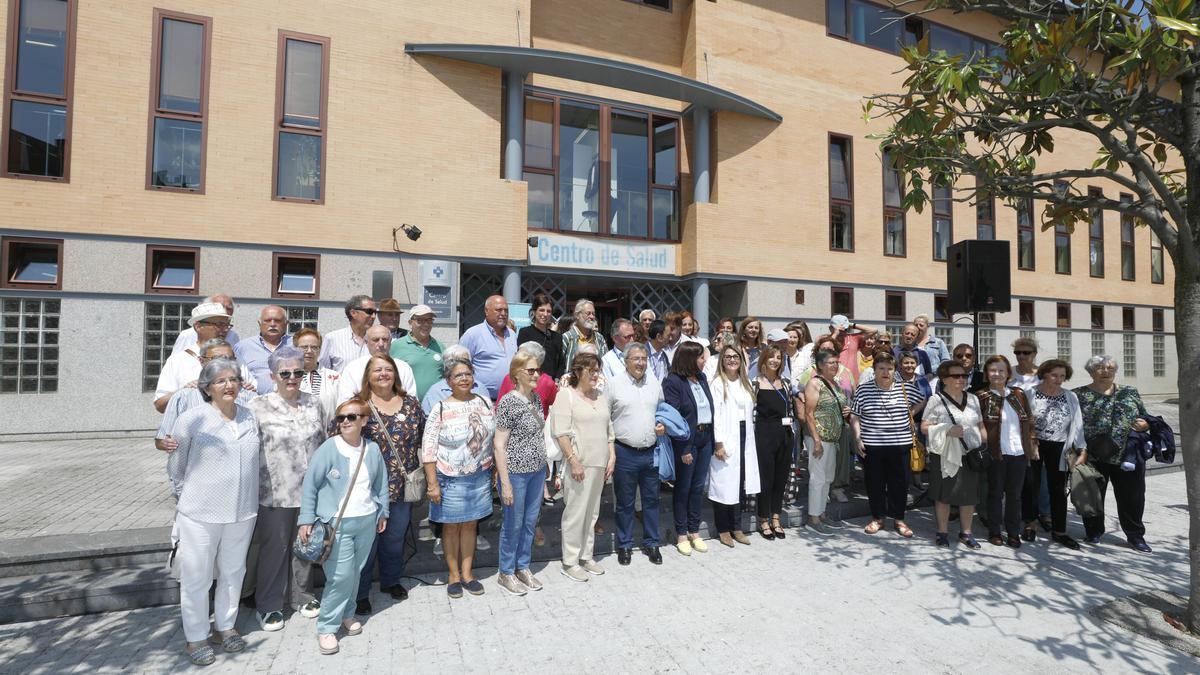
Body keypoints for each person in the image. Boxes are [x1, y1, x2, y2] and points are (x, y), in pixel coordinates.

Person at [166, 359, 260, 666]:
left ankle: (225, 626)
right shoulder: (192, 419)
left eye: (233, 379)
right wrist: (188, 499)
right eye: (220, 381)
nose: (229, 385)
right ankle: (196, 638)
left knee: (234, 572)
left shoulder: (249, 417)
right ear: (207, 388)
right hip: (201, 512)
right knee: (198, 576)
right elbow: (177, 467)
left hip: (243, 510)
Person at [298, 399, 389, 655]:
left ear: (364, 420)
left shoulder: (371, 449)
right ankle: (327, 626)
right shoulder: (329, 448)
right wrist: (306, 518)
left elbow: (380, 484)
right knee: (340, 576)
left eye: (351, 416)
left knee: (355, 572)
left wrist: (384, 511)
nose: (345, 422)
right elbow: (310, 485)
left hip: (367, 520)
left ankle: (347, 614)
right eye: (341, 418)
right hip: (336, 524)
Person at [245, 347, 326, 631]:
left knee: (304, 545)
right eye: (285, 373)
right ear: (273, 376)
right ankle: (268, 604)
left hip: (310, 491)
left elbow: (324, 441)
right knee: (275, 548)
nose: (292, 378)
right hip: (274, 492)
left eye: (298, 372)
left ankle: (302, 596)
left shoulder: (314, 403)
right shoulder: (257, 406)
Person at [351, 354, 425, 614]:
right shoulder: (358, 405)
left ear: (395, 374)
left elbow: (423, 438)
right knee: (366, 542)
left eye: (388, 369)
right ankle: (359, 592)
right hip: (367, 487)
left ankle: (391, 580)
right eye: (377, 370)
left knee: (395, 537)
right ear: (368, 376)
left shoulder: (412, 404)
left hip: (402, 484)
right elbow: (340, 440)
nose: (383, 374)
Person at [422, 358, 495, 597]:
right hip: (449, 478)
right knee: (451, 528)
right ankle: (453, 576)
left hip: (479, 476)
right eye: (458, 376)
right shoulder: (440, 408)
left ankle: (468, 573)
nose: (464, 379)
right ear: (448, 381)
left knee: (471, 525)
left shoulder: (484, 402)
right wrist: (432, 483)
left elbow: (492, 438)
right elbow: (429, 448)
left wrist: (492, 468)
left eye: (467, 374)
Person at [1074, 355, 1153, 552]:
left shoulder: (1129, 392)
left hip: (1128, 456)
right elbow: (1073, 426)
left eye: (1109, 367)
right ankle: (1093, 532)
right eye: (1099, 367)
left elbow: (1143, 415)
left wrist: (1146, 424)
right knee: (1093, 495)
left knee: (1132, 497)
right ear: (1091, 372)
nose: (1105, 371)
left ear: (1115, 371)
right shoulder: (1079, 395)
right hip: (1093, 455)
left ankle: (1135, 536)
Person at [549, 353, 615, 581]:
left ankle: (587, 556)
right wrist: (573, 461)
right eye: (591, 370)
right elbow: (561, 432)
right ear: (577, 372)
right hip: (579, 464)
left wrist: (612, 455)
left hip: (600, 463)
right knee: (575, 513)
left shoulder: (600, 396)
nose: (596, 375)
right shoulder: (566, 396)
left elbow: (609, 430)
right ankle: (570, 561)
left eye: (598, 370)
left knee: (592, 512)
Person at [492, 351, 549, 595]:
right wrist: (505, 483)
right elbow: (499, 445)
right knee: (513, 523)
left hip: (536, 471)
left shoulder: (536, 399)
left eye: (538, 370)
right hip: (515, 473)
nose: (536, 374)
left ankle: (522, 566)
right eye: (531, 371)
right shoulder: (508, 402)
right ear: (517, 374)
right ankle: (506, 571)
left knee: (529, 522)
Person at [608, 341, 666, 565]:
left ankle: (652, 543)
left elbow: (661, 410)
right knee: (625, 502)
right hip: (624, 452)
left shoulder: (654, 383)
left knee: (652, 500)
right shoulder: (613, 384)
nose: (641, 363)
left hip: (651, 452)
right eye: (636, 359)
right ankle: (624, 545)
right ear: (626, 361)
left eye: (644, 359)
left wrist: (662, 425)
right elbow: (605, 418)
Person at [850, 352, 917, 538]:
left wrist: (911, 414)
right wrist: (857, 438)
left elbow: (922, 400)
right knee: (874, 483)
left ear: (895, 370)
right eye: (881, 368)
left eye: (889, 368)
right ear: (874, 370)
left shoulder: (906, 388)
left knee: (900, 484)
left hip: (901, 445)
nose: (885, 372)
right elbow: (855, 416)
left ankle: (899, 519)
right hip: (872, 445)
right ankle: (878, 518)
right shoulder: (863, 390)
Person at [922, 360, 988, 549]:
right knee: (943, 494)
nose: (962, 379)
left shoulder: (973, 399)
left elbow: (980, 424)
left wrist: (985, 445)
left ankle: (966, 533)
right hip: (945, 455)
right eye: (956, 376)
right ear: (944, 379)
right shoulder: (936, 400)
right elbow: (924, 427)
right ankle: (942, 532)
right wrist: (947, 429)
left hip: (971, 454)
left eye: (964, 375)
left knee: (969, 496)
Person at [1022, 359, 1085, 550]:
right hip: (1034, 444)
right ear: (1044, 374)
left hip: (1060, 447)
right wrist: (1028, 444)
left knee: (1058, 489)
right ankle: (1030, 524)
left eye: (1062, 376)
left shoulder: (1070, 397)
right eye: (1054, 375)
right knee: (1031, 485)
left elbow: (1078, 424)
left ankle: (1059, 531)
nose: (1058, 379)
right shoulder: (1030, 393)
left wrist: (1082, 449)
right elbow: (1024, 421)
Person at [661, 341, 716, 554]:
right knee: (683, 488)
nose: (705, 361)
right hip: (687, 441)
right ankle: (682, 533)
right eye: (701, 358)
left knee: (697, 487)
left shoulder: (701, 378)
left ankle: (694, 530)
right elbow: (674, 418)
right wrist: (685, 448)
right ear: (690, 359)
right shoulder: (673, 382)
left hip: (705, 438)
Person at [156, 339, 256, 454]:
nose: (224, 364)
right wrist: (167, 443)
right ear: (201, 361)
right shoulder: (184, 396)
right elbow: (160, 441)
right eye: (218, 359)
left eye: (230, 359)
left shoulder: (249, 395)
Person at [977, 355, 1035, 548]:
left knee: (1015, 495)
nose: (997, 374)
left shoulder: (1018, 394)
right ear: (986, 373)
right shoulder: (981, 396)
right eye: (993, 370)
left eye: (1001, 370)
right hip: (996, 453)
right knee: (994, 494)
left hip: (1018, 453)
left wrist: (1032, 446)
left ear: (1008, 373)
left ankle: (1013, 532)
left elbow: (1029, 422)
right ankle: (994, 531)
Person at [155, 302, 254, 413]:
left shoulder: (236, 357)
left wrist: (247, 389)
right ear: (198, 326)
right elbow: (160, 405)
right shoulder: (178, 361)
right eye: (219, 324)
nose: (225, 329)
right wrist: (183, 392)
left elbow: (252, 394)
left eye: (227, 325)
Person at [708, 344, 760, 546]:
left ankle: (736, 527)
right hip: (725, 437)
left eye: (735, 357)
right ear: (722, 360)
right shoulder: (718, 383)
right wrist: (719, 443)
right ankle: (723, 529)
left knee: (738, 484)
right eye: (727, 356)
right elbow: (717, 415)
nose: (731, 360)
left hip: (744, 436)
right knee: (723, 485)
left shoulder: (744, 382)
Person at [802, 350, 850, 535]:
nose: (835, 365)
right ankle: (813, 519)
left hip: (833, 439)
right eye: (831, 362)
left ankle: (821, 514)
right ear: (820, 365)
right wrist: (816, 440)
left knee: (827, 479)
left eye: (836, 362)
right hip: (819, 438)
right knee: (818, 478)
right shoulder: (815, 383)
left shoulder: (834, 384)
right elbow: (809, 413)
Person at [754, 345, 794, 540]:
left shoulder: (785, 382)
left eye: (778, 357)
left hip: (785, 433)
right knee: (766, 478)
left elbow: (791, 408)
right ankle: (763, 519)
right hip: (764, 434)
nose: (775, 360)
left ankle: (776, 517)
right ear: (764, 359)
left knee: (781, 477)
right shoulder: (755, 383)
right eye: (771, 357)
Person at [458, 295, 517, 400]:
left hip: (510, 400)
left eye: (506, 310)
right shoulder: (473, 334)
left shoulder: (512, 334)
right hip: (482, 400)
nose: (503, 314)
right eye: (498, 310)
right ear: (486, 311)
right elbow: (459, 366)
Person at [337, 325, 416, 405]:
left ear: (390, 341)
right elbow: (345, 403)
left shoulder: (403, 368)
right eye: (376, 340)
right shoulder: (353, 368)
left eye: (385, 339)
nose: (381, 344)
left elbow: (412, 401)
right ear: (366, 342)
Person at [389, 304, 445, 400]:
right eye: (420, 320)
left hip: (436, 406)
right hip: (408, 406)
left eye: (429, 320)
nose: (426, 324)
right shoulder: (396, 346)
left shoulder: (440, 347)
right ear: (410, 323)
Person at [234, 305, 291, 394]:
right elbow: (232, 373)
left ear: (286, 324)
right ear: (259, 324)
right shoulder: (243, 347)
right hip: (254, 403)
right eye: (267, 321)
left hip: (291, 402)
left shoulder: (296, 345)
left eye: (278, 321)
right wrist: (240, 383)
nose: (272, 324)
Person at [420, 346, 490, 413]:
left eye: (464, 361)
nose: (460, 366)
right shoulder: (435, 392)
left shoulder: (480, 388)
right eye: (454, 362)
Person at [496, 341, 558, 417]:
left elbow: (556, 410)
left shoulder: (547, 384)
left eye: (520, 355)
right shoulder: (508, 379)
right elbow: (499, 412)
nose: (516, 357)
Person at [319, 295, 377, 373]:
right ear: (353, 313)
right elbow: (323, 372)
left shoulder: (378, 340)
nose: (373, 316)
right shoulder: (332, 338)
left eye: (375, 312)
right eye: (369, 312)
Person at [516, 293, 565, 381]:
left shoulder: (557, 337)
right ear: (534, 312)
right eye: (541, 310)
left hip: (551, 384)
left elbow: (561, 363)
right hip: (531, 382)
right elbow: (521, 360)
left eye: (548, 311)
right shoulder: (525, 333)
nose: (545, 314)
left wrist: (557, 380)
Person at [294, 328, 340, 421]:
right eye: (304, 347)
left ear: (320, 350)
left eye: (314, 347)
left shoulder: (335, 377)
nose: (309, 351)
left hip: (329, 433)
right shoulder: (287, 377)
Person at [172, 294, 240, 354]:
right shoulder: (187, 335)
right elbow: (176, 362)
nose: (224, 311)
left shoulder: (233, 336)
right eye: (218, 324)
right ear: (198, 326)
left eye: (229, 308)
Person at [561, 299, 609, 371]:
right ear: (577, 315)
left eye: (593, 314)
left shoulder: (599, 338)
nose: (592, 317)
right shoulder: (567, 337)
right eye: (588, 313)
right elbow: (559, 364)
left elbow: (605, 362)